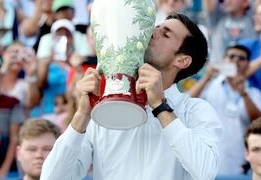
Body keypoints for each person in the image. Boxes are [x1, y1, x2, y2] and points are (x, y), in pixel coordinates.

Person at [41, 13, 222, 179]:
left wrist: (160, 106)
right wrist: (82, 115)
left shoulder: (196, 110)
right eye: (154, 27)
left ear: (182, 60)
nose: (151, 33)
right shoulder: (102, 108)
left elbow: (205, 171)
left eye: (165, 35)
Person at [188, 44, 261, 175]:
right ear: (224, 60)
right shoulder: (210, 85)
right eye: (231, 56)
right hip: (209, 157)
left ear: (247, 64)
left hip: (241, 158)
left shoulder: (253, 93)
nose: (236, 60)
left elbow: (259, 121)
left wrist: (243, 93)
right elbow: (187, 103)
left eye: (242, 58)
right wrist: (206, 77)